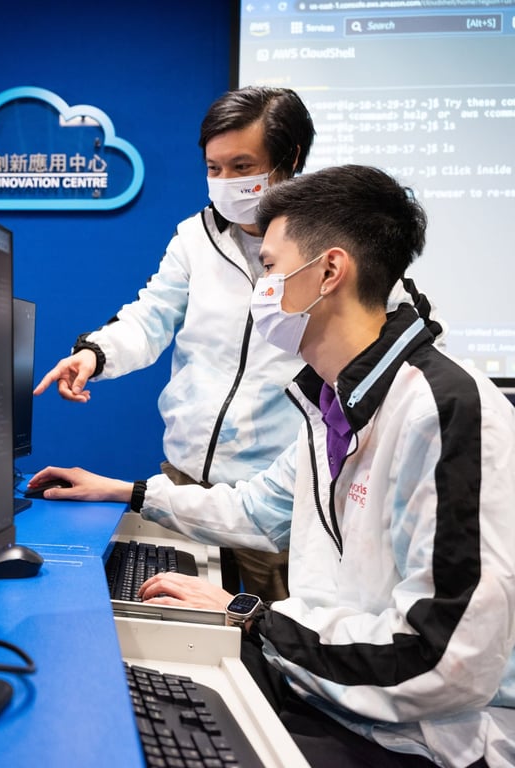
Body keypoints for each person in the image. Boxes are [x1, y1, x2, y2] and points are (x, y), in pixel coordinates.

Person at [29, 165, 515, 767]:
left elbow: (446, 660)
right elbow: (259, 510)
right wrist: (127, 492)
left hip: (424, 739)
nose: (258, 287)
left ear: (330, 272)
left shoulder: (444, 412)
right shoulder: (336, 400)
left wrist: (250, 616)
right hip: (335, 697)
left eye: (268, 266)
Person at [33, 86, 438, 602]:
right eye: (213, 168)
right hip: (185, 475)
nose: (224, 182)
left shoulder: (331, 243)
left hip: (281, 489)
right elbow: (151, 315)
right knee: (184, 622)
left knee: (286, 632)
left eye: (241, 165)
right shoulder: (194, 238)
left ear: (288, 158)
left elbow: (402, 338)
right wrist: (96, 354)